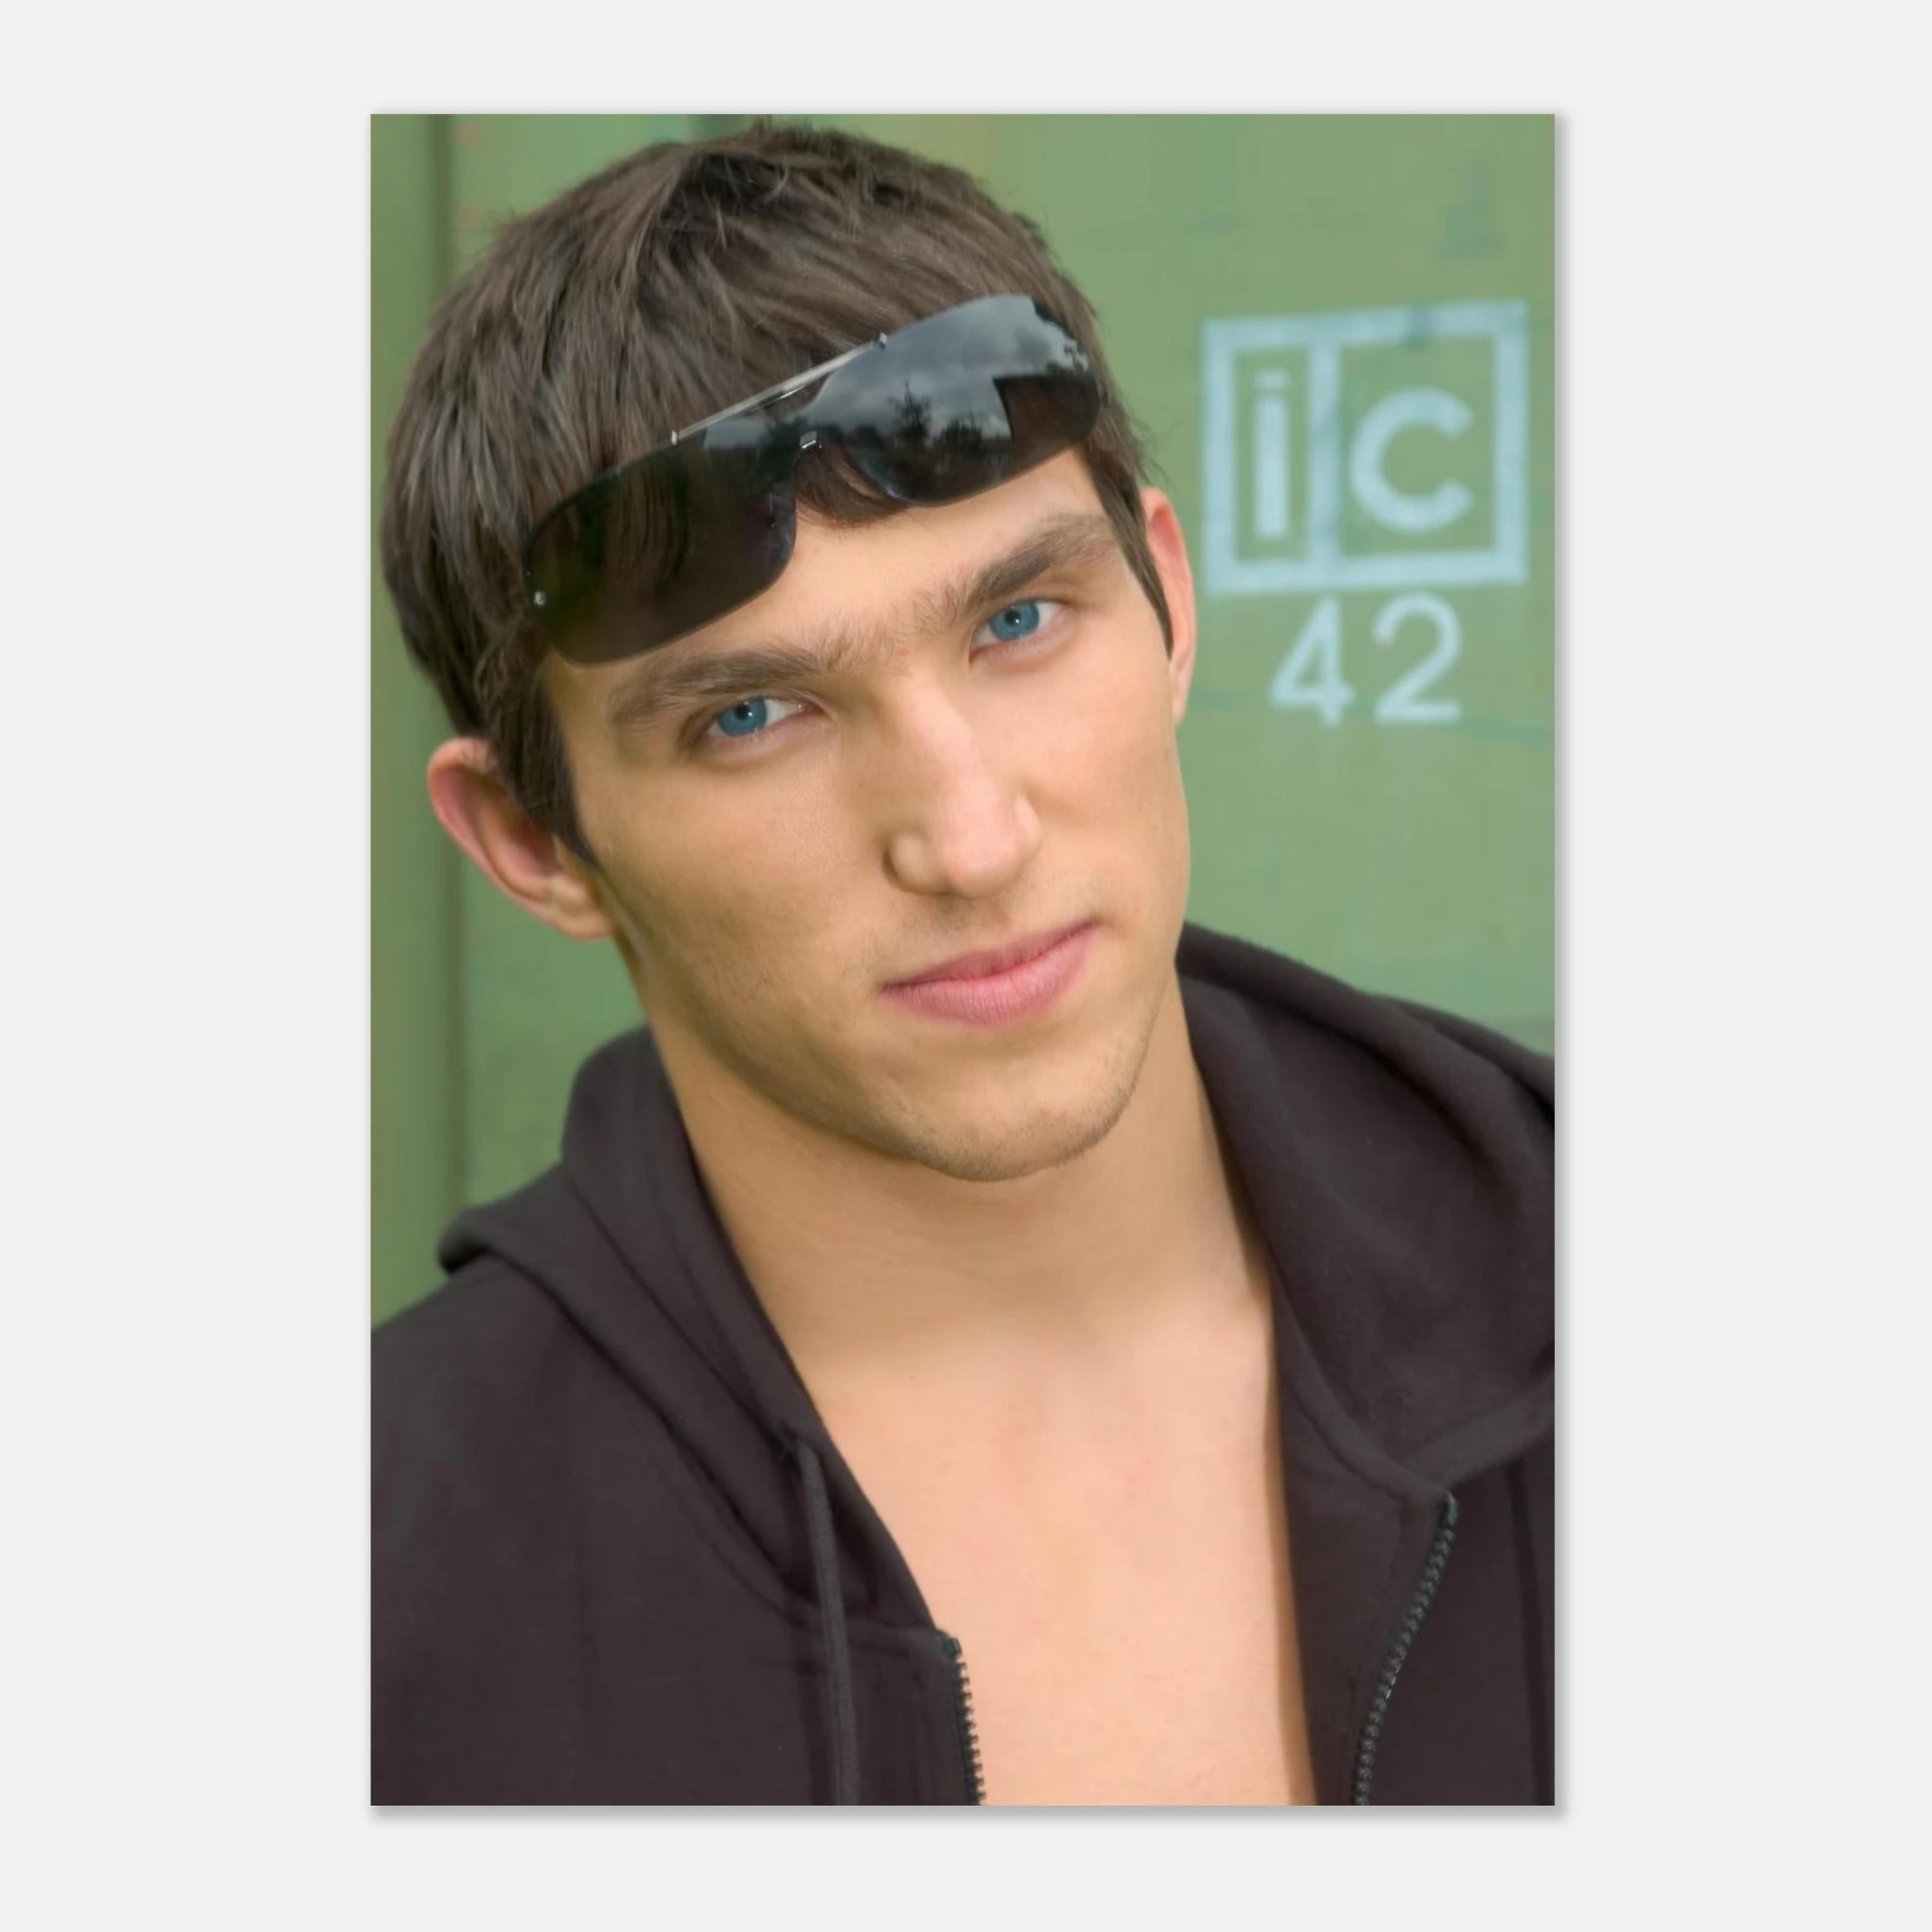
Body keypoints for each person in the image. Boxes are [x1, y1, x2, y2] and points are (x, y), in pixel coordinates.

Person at [372, 120, 1555, 1807]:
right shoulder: (373, 1596)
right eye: (751, 715)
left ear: (1166, 599)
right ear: (532, 842)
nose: (970, 836)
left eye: (1017, 621)